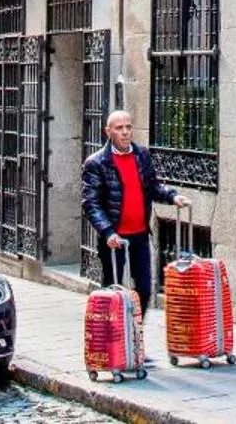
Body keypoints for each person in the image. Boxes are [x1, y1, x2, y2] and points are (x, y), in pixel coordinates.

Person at [81, 110, 188, 319]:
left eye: (128, 127)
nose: (125, 132)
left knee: (144, 291)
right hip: (114, 239)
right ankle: (115, 337)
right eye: (119, 128)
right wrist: (108, 232)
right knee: (113, 292)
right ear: (108, 132)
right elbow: (91, 204)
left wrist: (172, 196)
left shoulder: (142, 155)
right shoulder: (96, 163)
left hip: (139, 236)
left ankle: (135, 334)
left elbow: (153, 187)